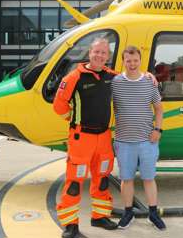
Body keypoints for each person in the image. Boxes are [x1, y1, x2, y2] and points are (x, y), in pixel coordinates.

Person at [52, 38, 119, 238]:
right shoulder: (74, 77)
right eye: (96, 51)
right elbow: (59, 106)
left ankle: (99, 217)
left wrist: (148, 77)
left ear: (108, 56)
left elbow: (133, 79)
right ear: (90, 53)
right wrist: (72, 119)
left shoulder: (112, 76)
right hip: (82, 138)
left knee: (102, 179)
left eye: (104, 53)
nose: (100, 56)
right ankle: (70, 225)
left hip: (104, 137)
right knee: (74, 182)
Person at [112, 45, 166, 231]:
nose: (132, 64)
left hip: (147, 141)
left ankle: (153, 213)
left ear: (140, 61)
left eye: (135, 60)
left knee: (149, 178)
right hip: (123, 141)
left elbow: (159, 108)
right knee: (126, 179)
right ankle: (128, 213)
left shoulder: (149, 82)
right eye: (128, 60)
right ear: (123, 61)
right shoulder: (115, 82)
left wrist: (158, 130)